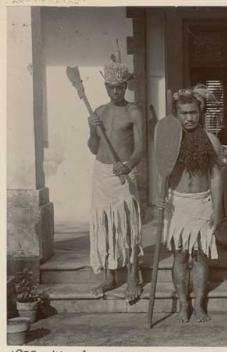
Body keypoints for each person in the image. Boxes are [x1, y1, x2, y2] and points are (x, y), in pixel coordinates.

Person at [156, 85, 223, 323]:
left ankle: (200, 305)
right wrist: (160, 197)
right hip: (178, 203)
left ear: (200, 111)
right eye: (184, 113)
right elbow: (162, 173)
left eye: (193, 112)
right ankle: (183, 305)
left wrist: (217, 208)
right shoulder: (169, 141)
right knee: (181, 256)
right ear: (177, 114)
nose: (189, 118)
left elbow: (215, 177)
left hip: (202, 202)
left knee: (201, 255)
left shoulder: (212, 141)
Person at [87, 56, 145, 303]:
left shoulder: (133, 111)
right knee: (105, 223)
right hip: (101, 173)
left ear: (125, 86)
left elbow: (141, 148)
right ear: (106, 88)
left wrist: (128, 165)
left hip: (124, 173)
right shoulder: (99, 112)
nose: (115, 91)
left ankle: (132, 276)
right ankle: (109, 276)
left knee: (128, 224)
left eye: (119, 87)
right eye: (111, 87)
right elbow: (92, 148)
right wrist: (92, 129)